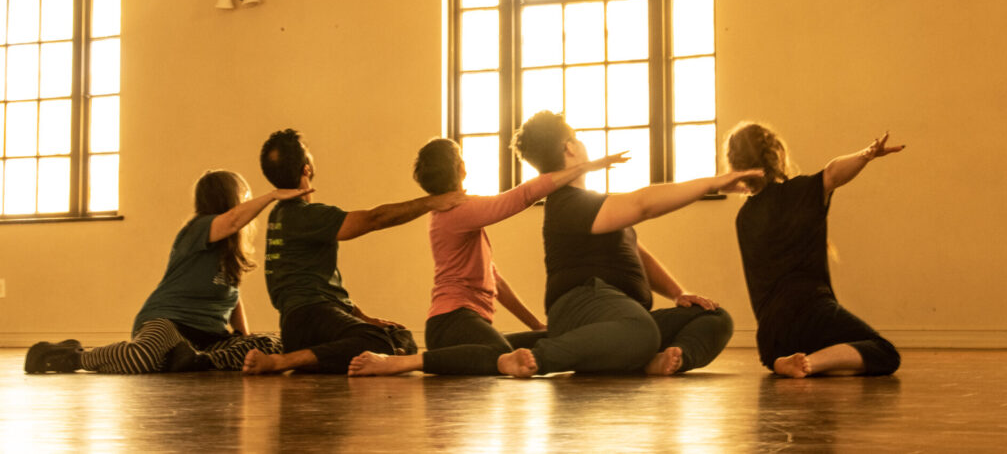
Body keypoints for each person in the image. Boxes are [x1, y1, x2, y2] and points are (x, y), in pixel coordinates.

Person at [491, 110, 758, 378]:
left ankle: (664, 359)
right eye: (577, 138)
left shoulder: (593, 204)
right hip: (583, 304)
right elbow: (643, 205)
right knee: (641, 331)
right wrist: (713, 182)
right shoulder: (565, 202)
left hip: (624, 315)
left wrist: (678, 293)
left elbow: (636, 252)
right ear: (569, 147)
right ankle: (538, 358)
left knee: (715, 317)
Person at [348, 137, 627, 377]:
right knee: (500, 353)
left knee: (550, 338)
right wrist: (586, 167)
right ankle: (401, 363)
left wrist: (536, 324)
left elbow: (495, 282)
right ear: (461, 169)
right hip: (451, 323)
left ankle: (614, 361)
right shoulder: (457, 211)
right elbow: (523, 195)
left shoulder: (453, 213)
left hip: (465, 326)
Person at [24, 170, 304, 374]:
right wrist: (272, 196)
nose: (247, 204)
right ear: (228, 200)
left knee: (273, 343)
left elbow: (232, 296)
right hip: (168, 324)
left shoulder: (230, 251)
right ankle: (75, 357)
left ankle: (199, 361)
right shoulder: (198, 229)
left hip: (205, 340)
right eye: (243, 197)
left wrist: (244, 337)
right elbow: (232, 221)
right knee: (143, 359)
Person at [242, 129, 467, 375]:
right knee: (378, 341)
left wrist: (363, 317)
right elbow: (374, 219)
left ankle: (324, 358)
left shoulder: (281, 215)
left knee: (399, 336)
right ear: (306, 168)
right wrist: (431, 202)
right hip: (308, 318)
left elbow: (325, 285)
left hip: (309, 322)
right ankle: (282, 361)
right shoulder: (303, 215)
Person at [725, 122, 904, 378]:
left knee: (829, 345)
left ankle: (783, 362)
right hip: (813, 313)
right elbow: (832, 173)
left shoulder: (744, 217)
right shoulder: (802, 191)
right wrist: (867, 154)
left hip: (770, 339)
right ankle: (811, 363)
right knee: (885, 352)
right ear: (776, 154)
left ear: (736, 164)